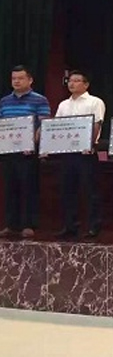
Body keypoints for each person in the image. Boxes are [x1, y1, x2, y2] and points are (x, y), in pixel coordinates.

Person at [53, 70, 106, 239]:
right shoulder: (63, 105)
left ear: (86, 84)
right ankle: (70, 226)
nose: (72, 83)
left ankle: (93, 226)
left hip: (86, 153)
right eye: (70, 80)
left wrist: (89, 144)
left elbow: (97, 124)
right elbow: (57, 127)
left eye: (77, 80)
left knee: (90, 190)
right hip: (68, 153)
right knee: (68, 190)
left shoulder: (95, 102)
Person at [0, 65, 51, 239]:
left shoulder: (39, 100)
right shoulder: (5, 101)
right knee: (10, 188)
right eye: (14, 78)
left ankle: (29, 225)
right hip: (8, 152)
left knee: (29, 189)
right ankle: (11, 225)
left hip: (28, 152)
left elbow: (43, 124)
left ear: (30, 80)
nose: (16, 81)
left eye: (20, 78)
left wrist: (32, 143)